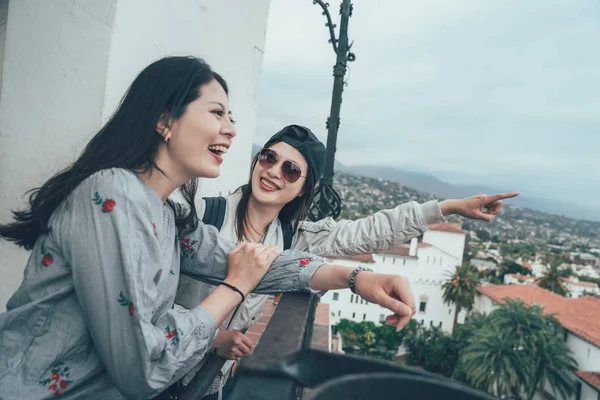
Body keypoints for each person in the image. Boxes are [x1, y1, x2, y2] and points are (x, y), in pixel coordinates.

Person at [0, 57, 427, 400]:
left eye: (232, 117)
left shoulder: (168, 212)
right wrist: (235, 289)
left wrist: (357, 277)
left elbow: (249, 261)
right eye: (217, 113)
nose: (232, 130)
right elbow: (143, 369)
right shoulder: (113, 194)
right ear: (165, 119)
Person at [175, 124, 518, 399]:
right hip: (161, 370)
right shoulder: (204, 216)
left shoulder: (296, 237)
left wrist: (449, 208)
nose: (274, 172)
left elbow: (370, 232)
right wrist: (212, 336)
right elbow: (150, 298)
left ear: (303, 188)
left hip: (211, 385)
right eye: (268, 157)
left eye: (291, 169)